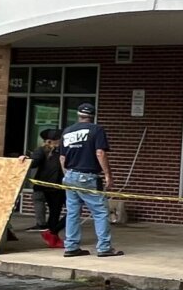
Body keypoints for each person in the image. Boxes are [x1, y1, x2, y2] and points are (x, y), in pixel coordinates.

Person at [59, 103, 123, 258]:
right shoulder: (96, 130)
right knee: (100, 212)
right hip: (88, 176)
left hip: (70, 175)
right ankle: (104, 248)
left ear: (78, 115)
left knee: (72, 213)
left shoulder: (67, 131)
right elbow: (100, 153)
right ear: (93, 115)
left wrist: (67, 175)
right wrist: (108, 175)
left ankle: (71, 247)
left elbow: (62, 158)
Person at [26, 128, 66, 248]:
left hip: (59, 186)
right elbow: (34, 162)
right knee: (57, 212)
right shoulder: (42, 151)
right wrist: (26, 159)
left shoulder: (62, 150)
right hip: (48, 186)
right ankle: (52, 234)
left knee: (56, 213)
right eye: (60, 139)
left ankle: (52, 234)